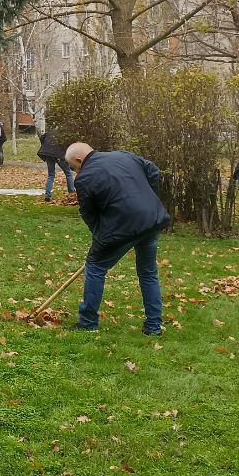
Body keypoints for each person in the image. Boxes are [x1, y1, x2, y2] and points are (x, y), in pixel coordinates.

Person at [66, 142, 171, 335]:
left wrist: (99, 236)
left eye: (73, 167)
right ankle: (153, 327)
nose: (75, 172)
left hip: (122, 227)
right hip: (151, 219)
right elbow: (154, 172)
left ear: (79, 160)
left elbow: (89, 214)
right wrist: (145, 199)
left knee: (95, 266)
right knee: (148, 273)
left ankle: (88, 323)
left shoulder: (84, 179)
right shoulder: (124, 156)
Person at [37, 127, 74, 202]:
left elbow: (42, 137)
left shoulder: (51, 130)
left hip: (48, 154)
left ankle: (47, 195)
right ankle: (72, 193)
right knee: (68, 173)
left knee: (51, 175)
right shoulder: (66, 132)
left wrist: (46, 146)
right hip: (59, 154)